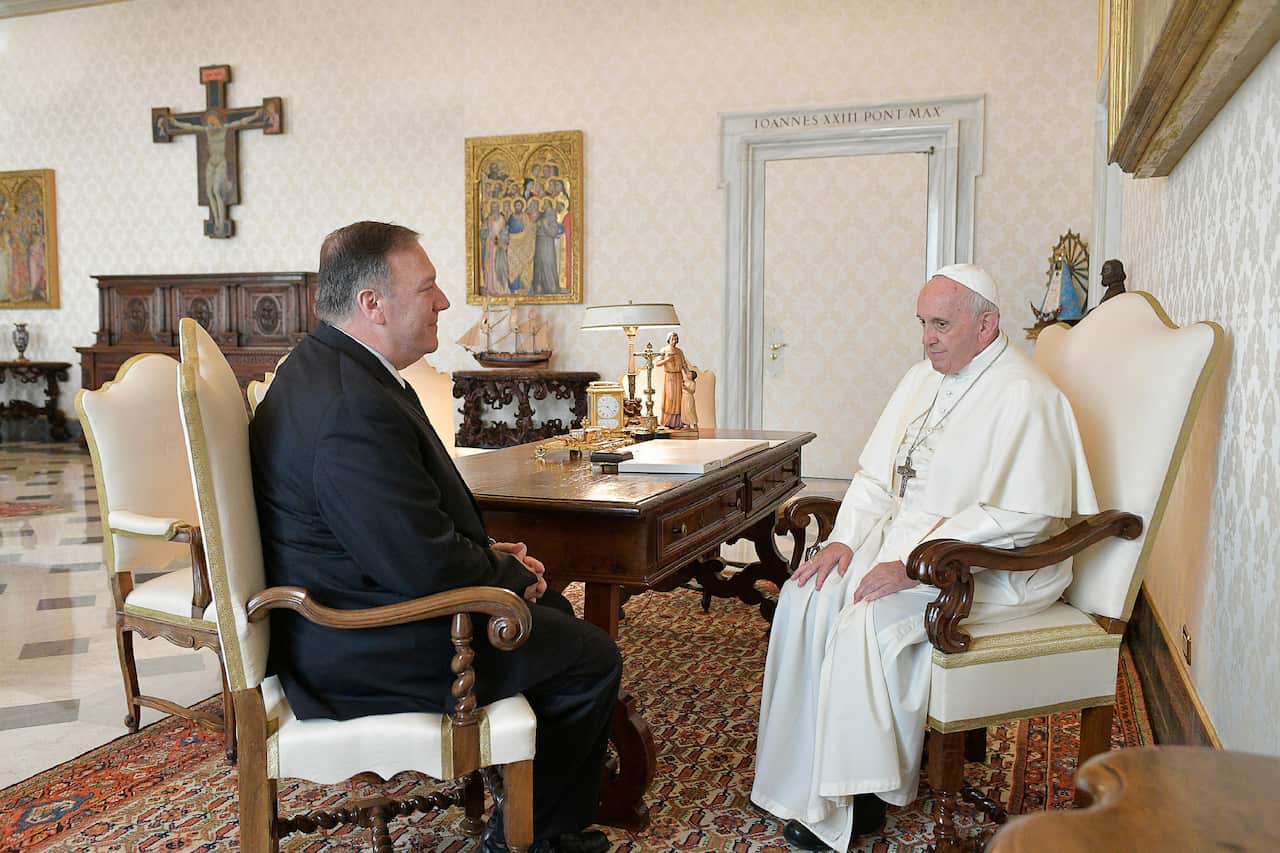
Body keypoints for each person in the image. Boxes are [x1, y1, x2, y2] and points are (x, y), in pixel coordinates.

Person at [249, 221, 619, 853]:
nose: (443, 302)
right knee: (591, 658)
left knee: (552, 615)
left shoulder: (336, 371)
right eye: (427, 288)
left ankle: (533, 803)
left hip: (363, 604)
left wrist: (492, 559)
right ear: (373, 303)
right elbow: (418, 564)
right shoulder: (348, 406)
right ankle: (532, 840)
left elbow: (397, 530)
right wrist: (510, 579)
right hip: (362, 642)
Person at [751, 264, 1098, 852]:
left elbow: (1028, 516)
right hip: (905, 541)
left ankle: (859, 797)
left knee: (868, 619)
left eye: (941, 325)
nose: (927, 339)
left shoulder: (1026, 394)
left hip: (988, 566)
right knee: (809, 593)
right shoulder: (920, 379)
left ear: (986, 325)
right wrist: (844, 540)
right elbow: (876, 478)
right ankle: (800, 778)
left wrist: (914, 563)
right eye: (923, 324)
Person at [653, 332, 691, 429]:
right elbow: (657, 363)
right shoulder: (664, 350)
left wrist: (688, 373)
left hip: (678, 376)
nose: (674, 341)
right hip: (670, 376)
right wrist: (667, 360)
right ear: (669, 339)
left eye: (676, 339)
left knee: (679, 399)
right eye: (673, 339)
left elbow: (684, 364)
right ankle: (667, 422)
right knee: (670, 398)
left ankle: (678, 422)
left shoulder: (679, 351)